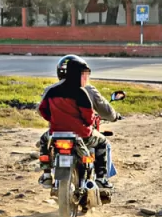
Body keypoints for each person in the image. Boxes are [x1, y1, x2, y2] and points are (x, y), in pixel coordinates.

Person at [37, 55, 120, 190]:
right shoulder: (84, 91)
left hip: (56, 133)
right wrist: (107, 118)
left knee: (43, 141)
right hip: (81, 134)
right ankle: (101, 179)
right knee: (103, 143)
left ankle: (46, 174)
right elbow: (91, 115)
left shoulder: (50, 90)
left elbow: (42, 110)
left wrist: (53, 120)